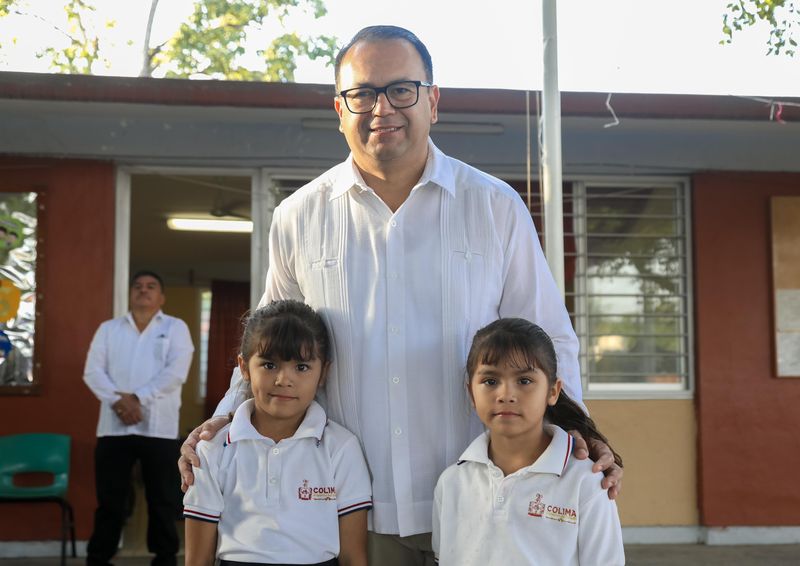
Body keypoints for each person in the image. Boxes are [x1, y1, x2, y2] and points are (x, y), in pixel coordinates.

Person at [180, 25, 623, 565]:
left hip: (487, 496)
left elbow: (550, 339)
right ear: (339, 109)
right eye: (361, 93)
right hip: (356, 509)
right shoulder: (299, 216)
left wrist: (579, 435)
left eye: (400, 90)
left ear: (432, 101)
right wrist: (224, 420)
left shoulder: (494, 207)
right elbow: (272, 345)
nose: (380, 108)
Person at [183, 300, 371, 566]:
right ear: (245, 368)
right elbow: (197, 560)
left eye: (302, 367)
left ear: (323, 372)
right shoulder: (212, 449)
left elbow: (354, 557)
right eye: (269, 365)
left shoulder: (340, 448)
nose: (284, 379)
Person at [432, 318, 624, 565]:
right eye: (490, 381)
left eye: (524, 381)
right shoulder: (452, 483)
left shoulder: (585, 483)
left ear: (553, 392)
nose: (506, 395)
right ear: (471, 393)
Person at [83, 270, 194, 566]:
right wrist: (119, 402)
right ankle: (99, 557)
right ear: (130, 294)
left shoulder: (175, 328)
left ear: (161, 297)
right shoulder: (109, 329)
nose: (143, 291)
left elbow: (175, 373)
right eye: (138, 286)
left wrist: (135, 399)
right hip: (113, 428)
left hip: (159, 428)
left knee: (162, 500)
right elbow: (92, 372)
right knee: (110, 501)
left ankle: (165, 558)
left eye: (151, 286)